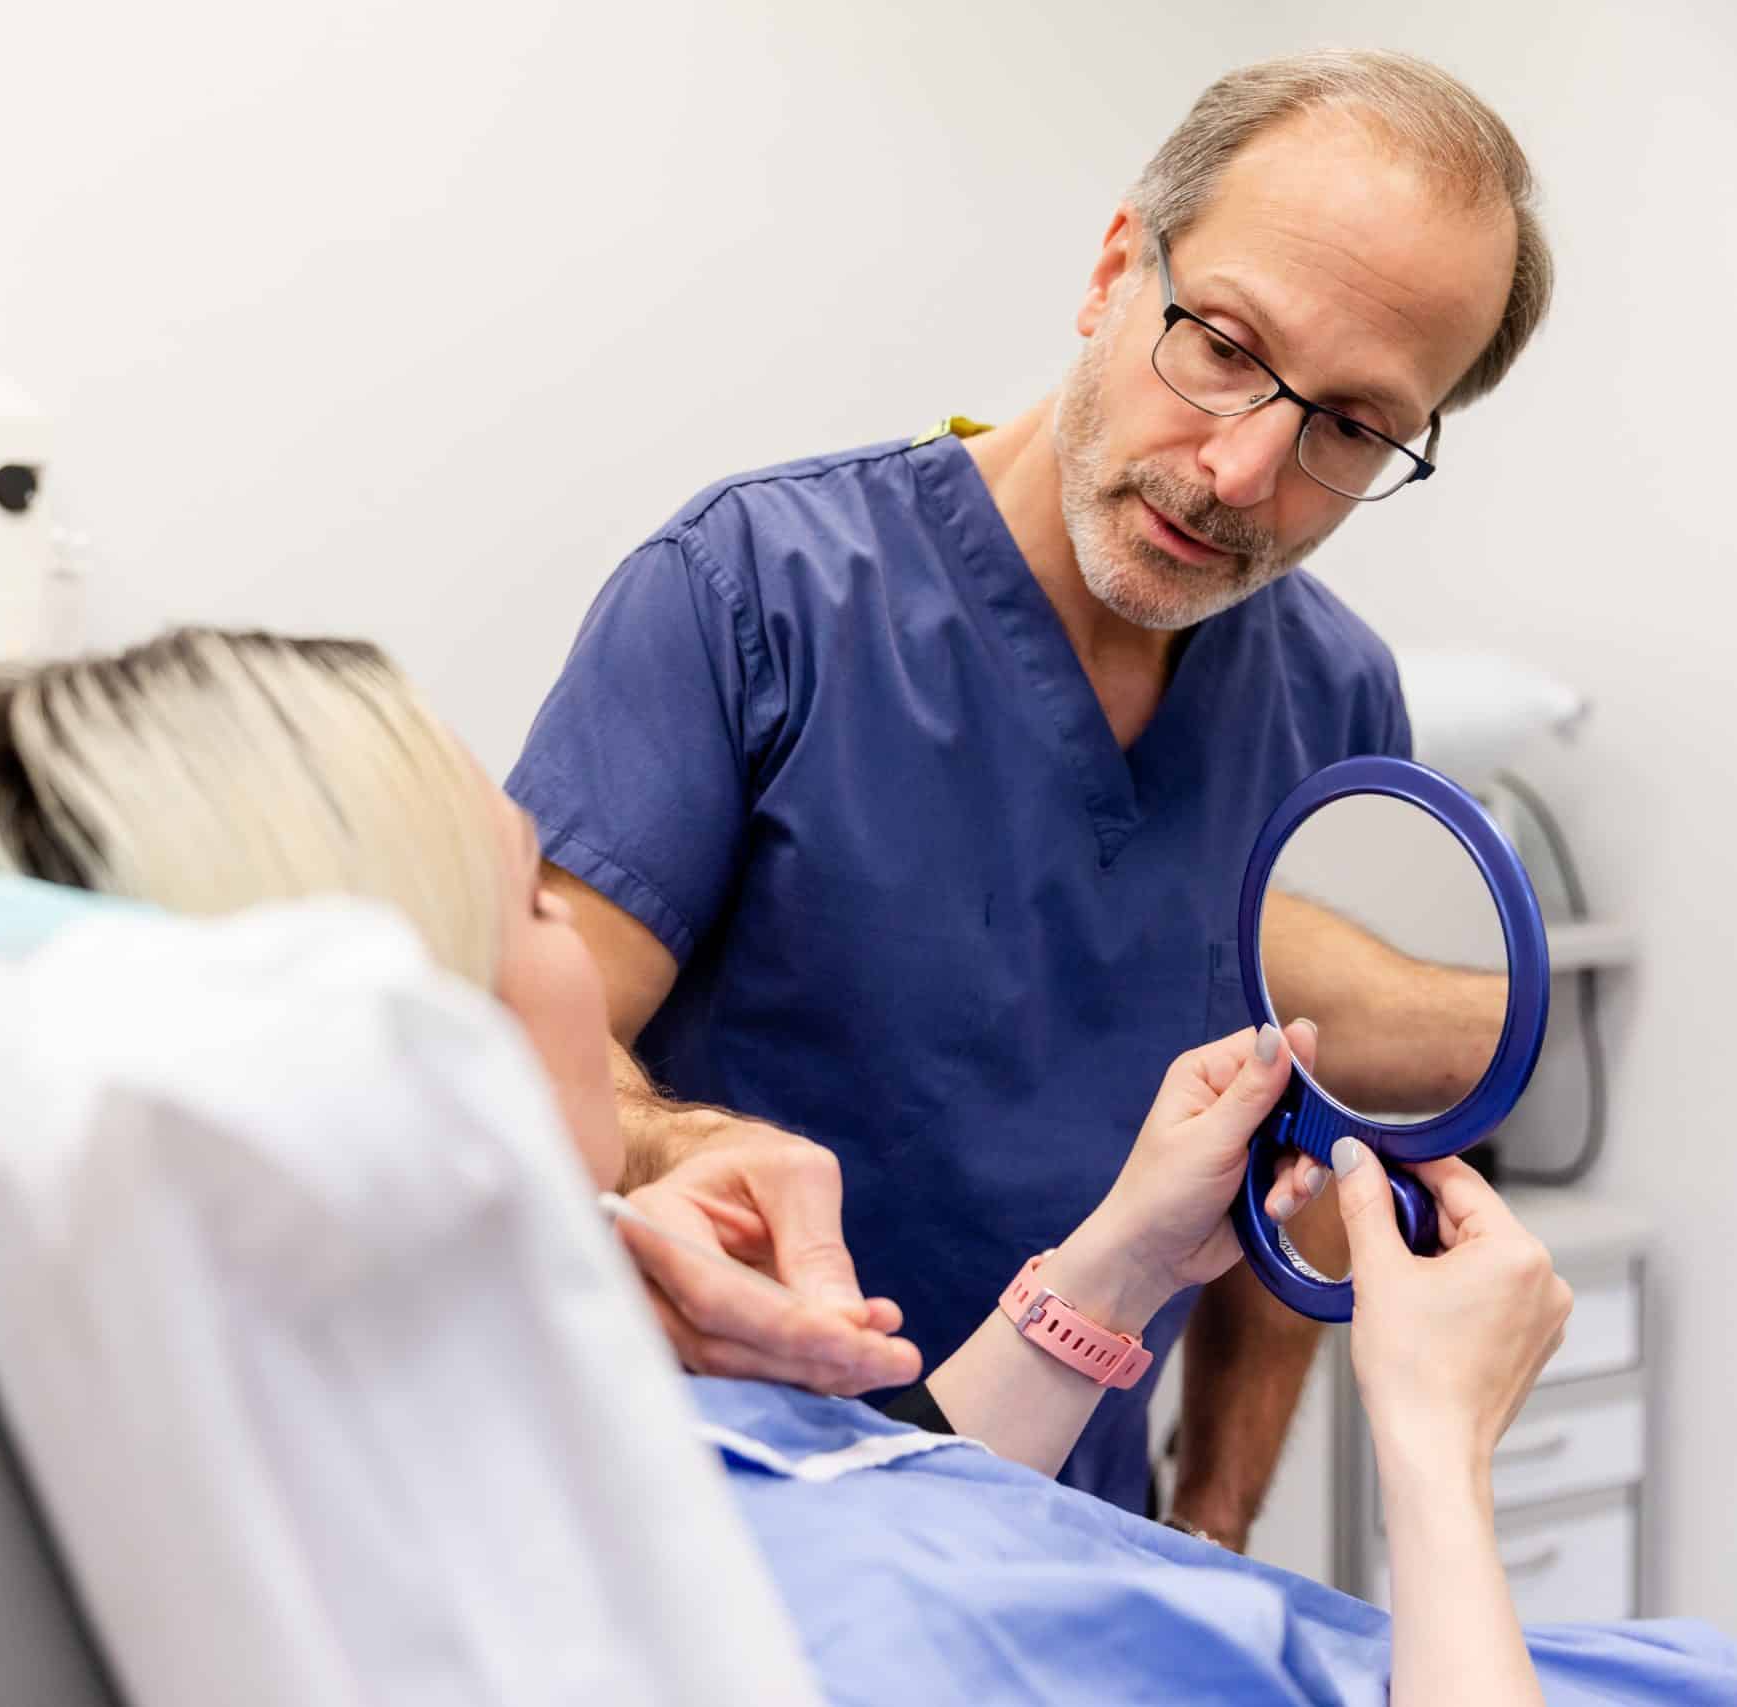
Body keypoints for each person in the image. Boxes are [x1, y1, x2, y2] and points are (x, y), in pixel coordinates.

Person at [0, 628, 1737, 1703]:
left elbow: (895, 1496)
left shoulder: (517, 1402)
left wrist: (1123, 1260)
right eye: (529, 897)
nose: (589, 961)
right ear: (384, 1014)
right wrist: (1431, 1444)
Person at [503, 49, 1547, 1539]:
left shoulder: (1332, 702)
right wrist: (687, 1144)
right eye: (1225, 346)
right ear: (1120, 267)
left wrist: (1215, 1522)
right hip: (707, 1513)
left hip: (1062, 1541)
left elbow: (1294, 1167)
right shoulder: (754, 597)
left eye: (1352, 428)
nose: (1245, 468)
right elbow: (527, 1051)